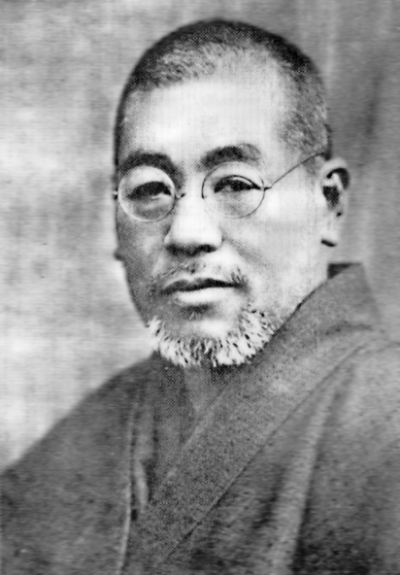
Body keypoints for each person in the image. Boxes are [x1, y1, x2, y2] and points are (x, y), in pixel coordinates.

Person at [2, 19, 400, 575]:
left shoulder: (385, 421)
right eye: (150, 190)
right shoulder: (97, 430)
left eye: (235, 184)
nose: (187, 233)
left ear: (327, 204)